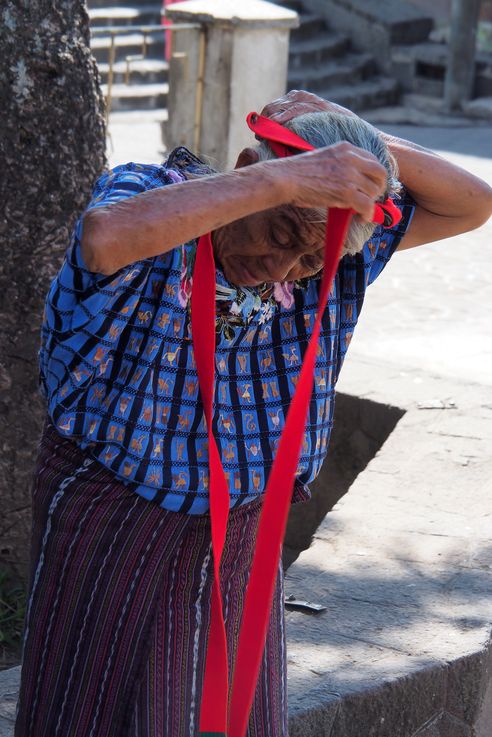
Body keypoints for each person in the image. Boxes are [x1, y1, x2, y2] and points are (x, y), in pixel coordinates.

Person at [14, 90, 492, 737]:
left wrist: (354, 146)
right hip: (115, 516)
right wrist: (277, 178)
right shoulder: (162, 199)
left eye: (306, 260)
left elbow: (473, 202)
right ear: (247, 167)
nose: (281, 267)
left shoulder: (326, 263)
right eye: (283, 234)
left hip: (237, 534)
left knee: (227, 718)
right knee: (91, 711)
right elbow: (104, 237)